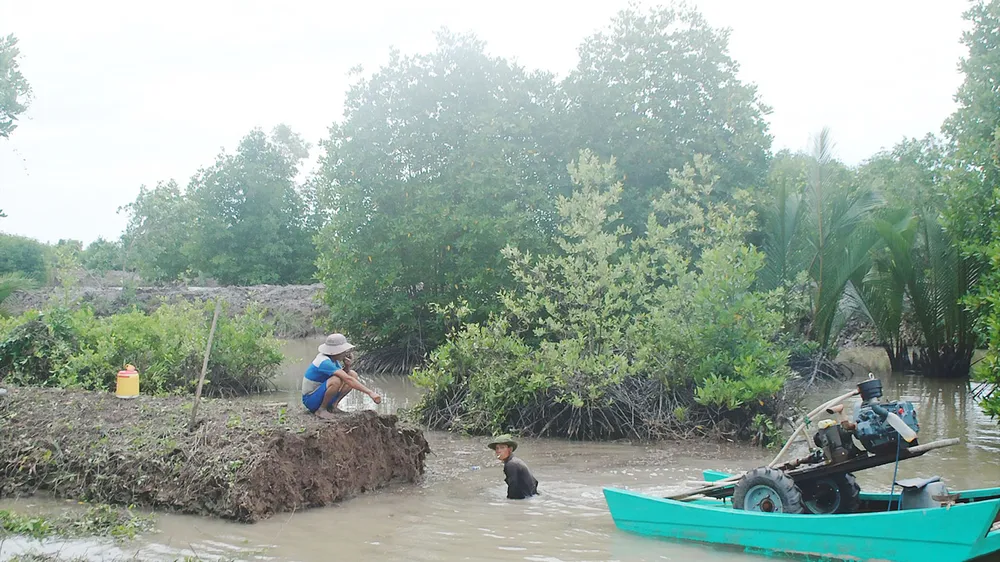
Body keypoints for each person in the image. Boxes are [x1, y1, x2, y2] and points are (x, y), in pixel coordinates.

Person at [302, 333, 382, 419]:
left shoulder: (333, 360)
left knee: (352, 374)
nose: (345, 353)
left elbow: (346, 376)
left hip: (320, 396)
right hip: (311, 400)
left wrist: (347, 366)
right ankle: (321, 409)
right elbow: (346, 379)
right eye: (343, 351)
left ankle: (333, 406)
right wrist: (370, 393)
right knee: (336, 380)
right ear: (336, 351)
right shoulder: (324, 362)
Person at [487, 434, 538, 499]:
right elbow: (535, 482)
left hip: (526, 498)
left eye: (502, 447)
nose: (498, 451)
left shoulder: (511, 464)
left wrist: (509, 503)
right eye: (497, 448)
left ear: (510, 449)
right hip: (531, 496)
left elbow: (513, 488)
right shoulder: (515, 461)